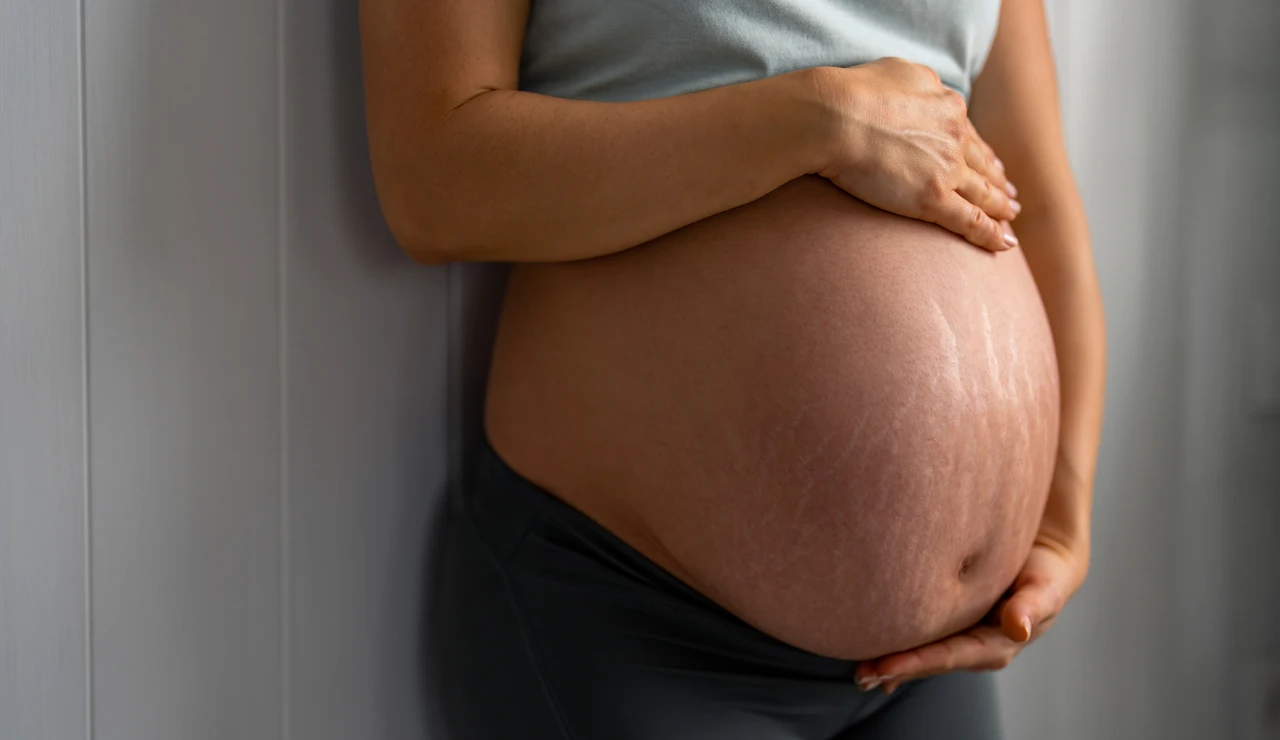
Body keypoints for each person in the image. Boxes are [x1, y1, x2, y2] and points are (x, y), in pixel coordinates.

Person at [359, 0, 1105, 736]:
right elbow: (435, 178)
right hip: (643, 626)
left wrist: (1062, 516)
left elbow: (1035, 198)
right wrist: (817, 121)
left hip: (932, 671)